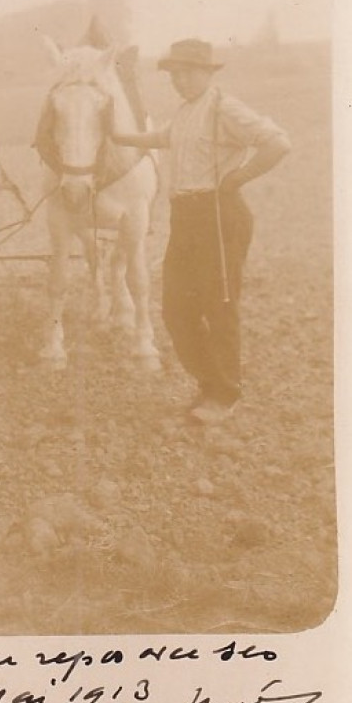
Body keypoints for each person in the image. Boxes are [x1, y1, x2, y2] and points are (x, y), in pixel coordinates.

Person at [112, 37, 291, 425]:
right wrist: (119, 137)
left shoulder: (224, 108)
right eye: (175, 74)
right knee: (176, 309)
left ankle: (225, 395)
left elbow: (278, 143)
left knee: (220, 306)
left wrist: (237, 178)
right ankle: (209, 384)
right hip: (185, 216)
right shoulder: (185, 111)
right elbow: (163, 139)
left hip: (218, 213)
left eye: (188, 73)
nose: (180, 80)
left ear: (207, 73)